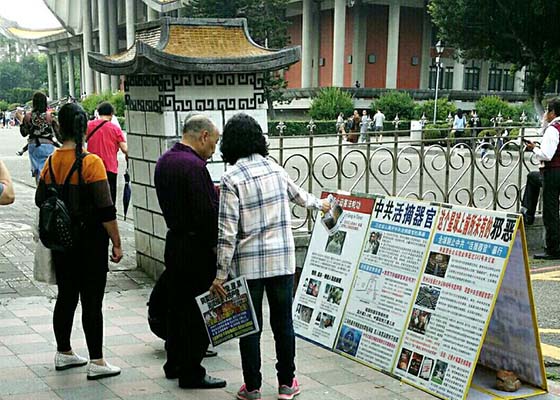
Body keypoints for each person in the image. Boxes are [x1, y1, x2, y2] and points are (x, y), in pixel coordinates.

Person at [210, 113, 330, 400]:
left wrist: (220, 275)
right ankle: (287, 384)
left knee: (250, 327)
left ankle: (252, 387)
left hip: (248, 265)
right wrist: (324, 205)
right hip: (282, 261)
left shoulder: (231, 178)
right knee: (283, 324)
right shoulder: (275, 170)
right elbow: (303, 198)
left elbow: (227, 232)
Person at [35, 103, 123, 379]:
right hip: (91, 244)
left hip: (62, 243)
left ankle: (64, 352)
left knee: (66, 296)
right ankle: (97, 361)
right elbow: (106, 209)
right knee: (92, 301)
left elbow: (40, 200)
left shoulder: (49, 162)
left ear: (59, 127)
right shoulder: (91, 163)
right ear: (84, 127)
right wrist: (117, 243)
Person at [154, 114, 226, 389]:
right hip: (196, 246)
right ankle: (192, 371)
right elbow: (207, 214)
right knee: (197, 311)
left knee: (177, 307)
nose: (214, 149)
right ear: (203, 136)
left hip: (174, 242)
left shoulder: (165, 161)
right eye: (214, 142)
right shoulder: (195, 167)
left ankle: (174, 363)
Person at [524, 99, 560, 260]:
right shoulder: (553, 128)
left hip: (553, 173)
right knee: (533, 177)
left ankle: (553, 249)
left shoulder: (553, 129)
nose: (544, 114)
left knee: (550, 211)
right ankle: (528, 213)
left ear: (552, 113)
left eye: (546, 110)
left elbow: (547, 154)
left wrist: (534, 149)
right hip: (553, 173)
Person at [86, 102, 128, 205]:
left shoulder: (88, 126)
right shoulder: (115, 128)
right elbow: (125, 149)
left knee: (93, 200)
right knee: (109, 201)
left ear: (98, 113)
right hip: (110, 168)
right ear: (112, 113)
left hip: (92, 168)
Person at [18, 92, 59, 184]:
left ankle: (39, 188)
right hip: (48, 145)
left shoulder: (28, 116)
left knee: (37, 170)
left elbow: (24, 133)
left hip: (33, 145)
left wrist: (21, 121)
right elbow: (58, 133)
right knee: (47, 169)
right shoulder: (49, 116)